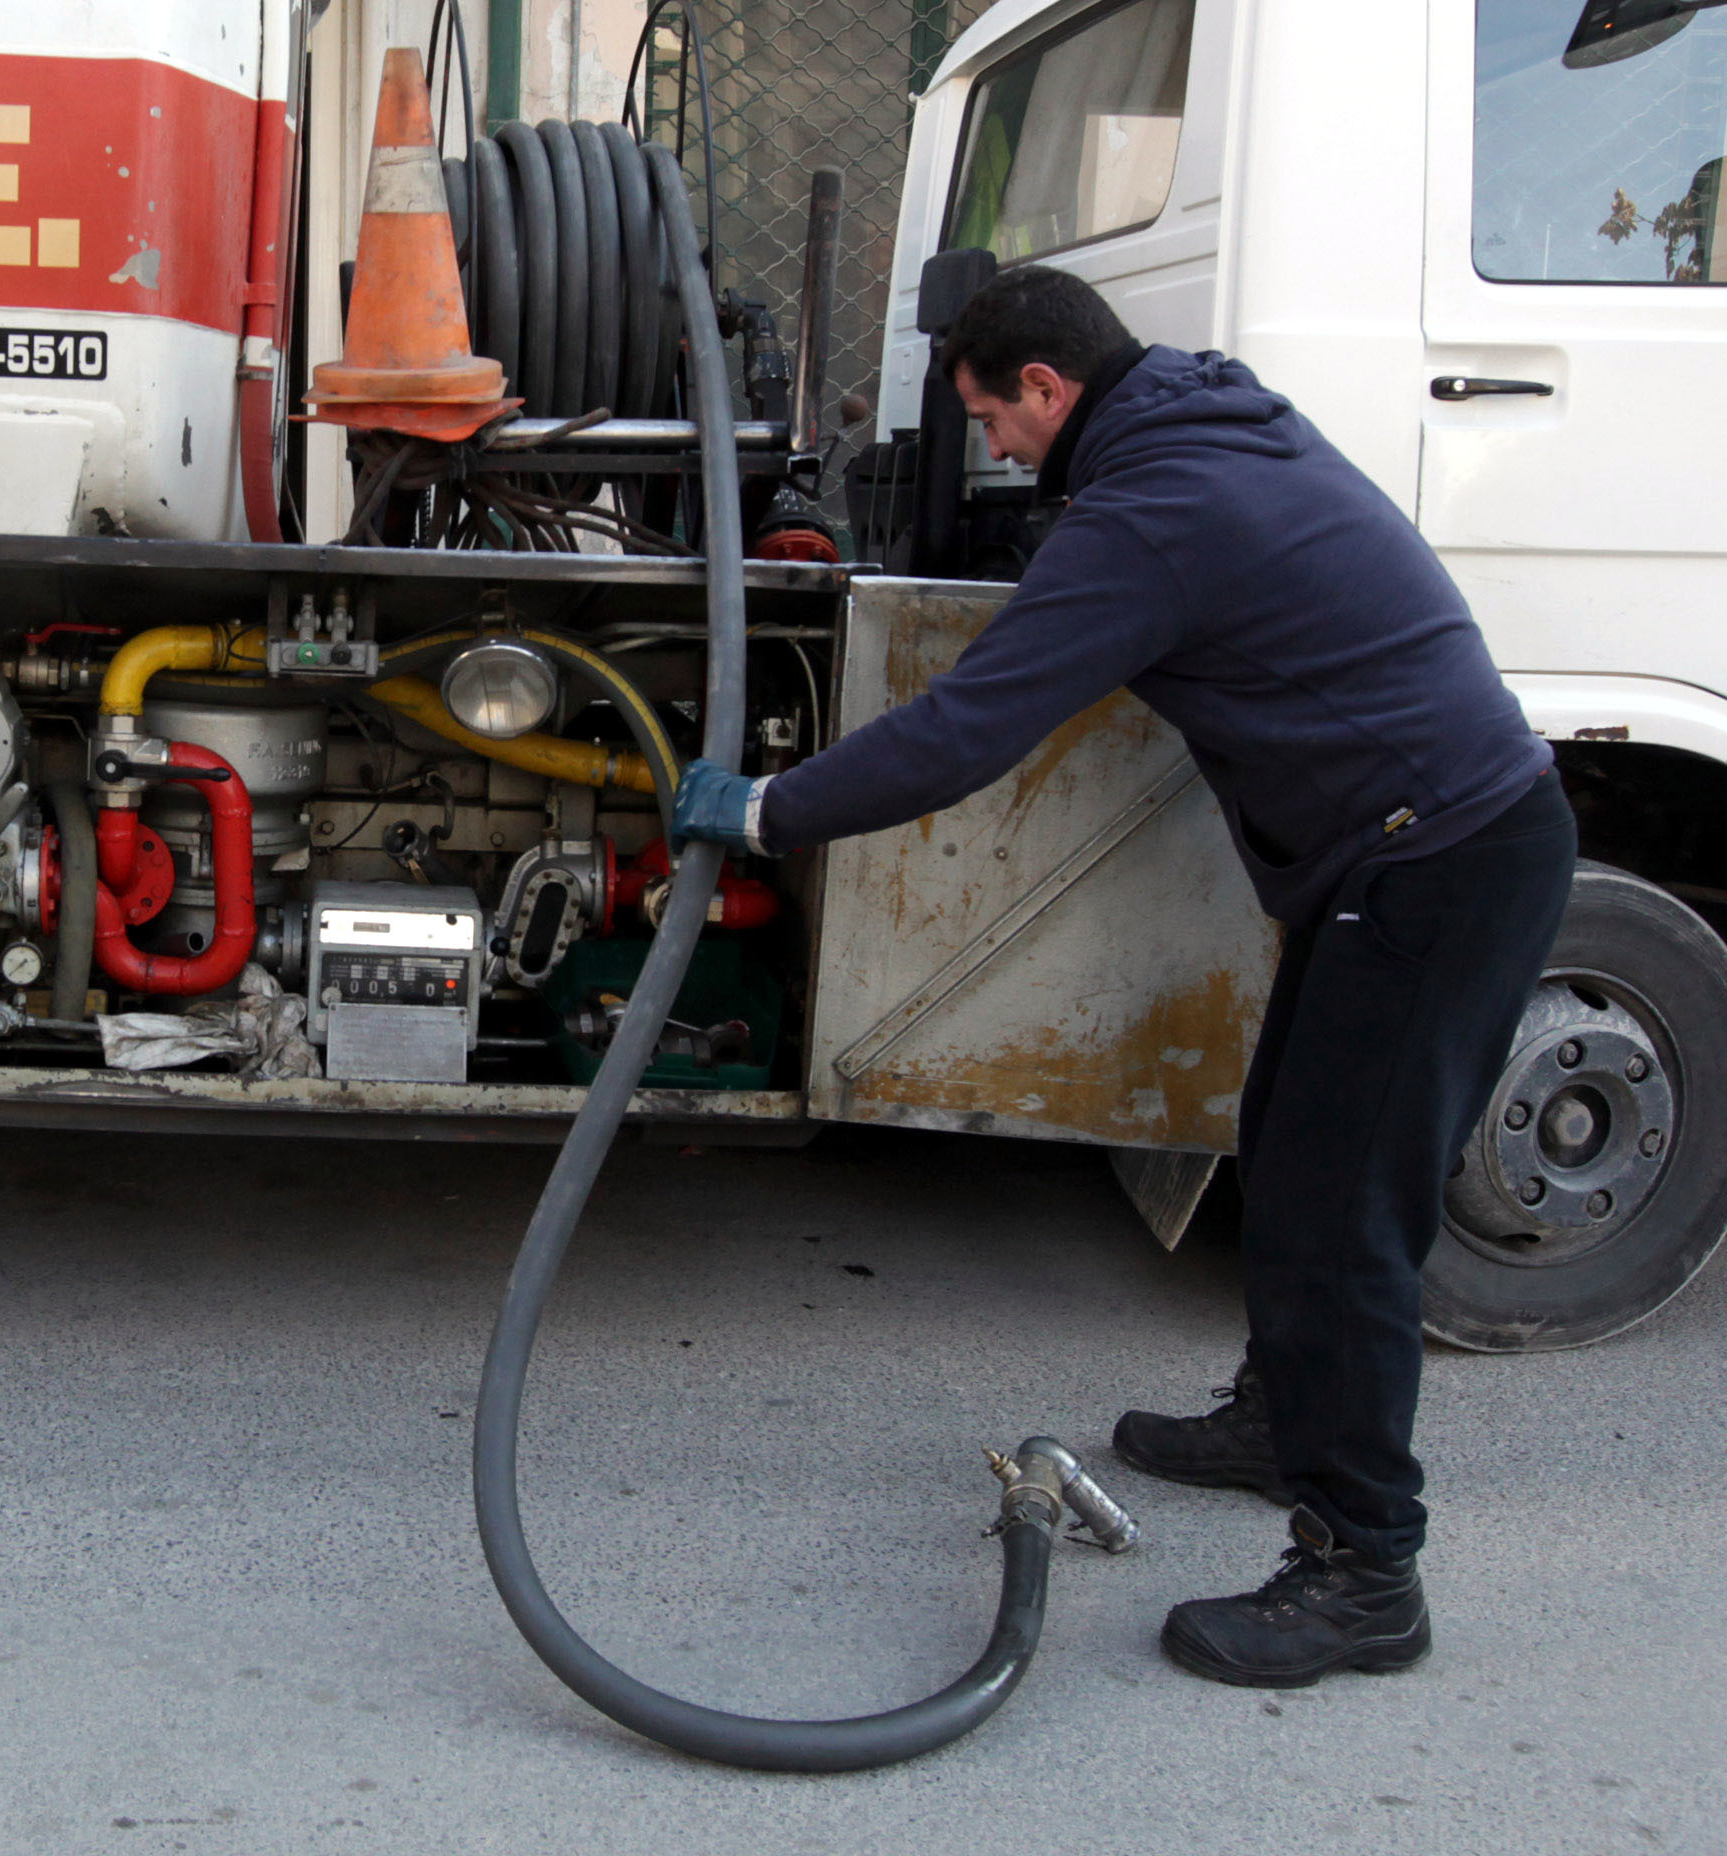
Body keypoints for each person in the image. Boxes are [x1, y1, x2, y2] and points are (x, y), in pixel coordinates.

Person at [671, 266, 1577, 1689]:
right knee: (1285, 1160)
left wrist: (770, 812)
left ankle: (1364, 1572)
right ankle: (1283, 1419)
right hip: (1411, 856)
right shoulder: (1204, 423)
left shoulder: (1159, 509)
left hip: (1438, 867)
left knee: (1344, 1220)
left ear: (1048, 387)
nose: (1002, 454)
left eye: (997, 422)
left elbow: (970, 728)